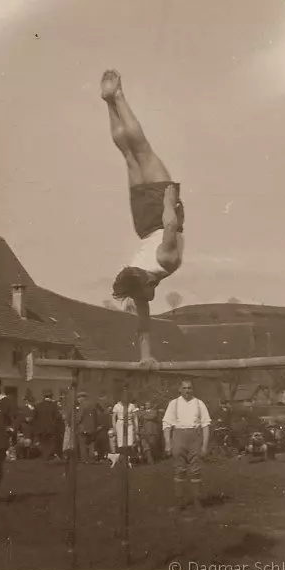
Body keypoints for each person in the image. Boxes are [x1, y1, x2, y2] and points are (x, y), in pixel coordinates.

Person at [101, 69, 185, 363]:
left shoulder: (166, 262)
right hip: (141, 221)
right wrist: (144, 356)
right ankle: (109, 103)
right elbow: (144, 325)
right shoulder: (135, 277)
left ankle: (119, 97)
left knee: (142, 149)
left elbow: (171, 224)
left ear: (148, 284)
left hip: (158, 214)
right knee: (128, 154)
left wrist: (168, 199)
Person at [162, 380, 211, 513]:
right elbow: (166, 424)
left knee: (196, 469)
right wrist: (168, 443)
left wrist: (204, 446)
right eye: (184, 388)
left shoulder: (199, 403)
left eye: (189, 388)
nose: (187, 391)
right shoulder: (174, 403)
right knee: (179, 469)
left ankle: (197, 501)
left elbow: (206, 425)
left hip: (195, 437)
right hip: (178, 437)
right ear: (180, 389)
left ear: (192, 389)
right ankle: (179, 502)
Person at [33, 389, 63, 461]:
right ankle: (47, 459)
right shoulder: (53, 405)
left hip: (41, 430)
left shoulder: (38, 405)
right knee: (50, 445)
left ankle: (43, 459)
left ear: (43, 396)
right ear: (51, 396)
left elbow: (34, 417)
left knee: (43, 445)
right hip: (51, 430)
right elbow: (58, 417)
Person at [112, 396, 139, 463]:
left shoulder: (131, 406)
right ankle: (123, 459)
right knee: (121, 442)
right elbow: (113, 417)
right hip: (120, 423)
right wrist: (114, 427)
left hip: (129, 424)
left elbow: (135, 417)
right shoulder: (117, 406)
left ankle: (129, 458)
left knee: (130, 441)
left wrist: (136, 427)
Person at [76, 391, 98, 463]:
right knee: (91, 444)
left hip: (83, 429)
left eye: (78, 398)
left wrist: (76, 423)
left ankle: (84, 459)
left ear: (82, 398)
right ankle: (91, 458)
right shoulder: (92, 404)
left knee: (82, 444)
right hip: (92, 429)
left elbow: (79, 417)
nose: (77, 400)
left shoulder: (82, 405)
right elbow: (95, 417)